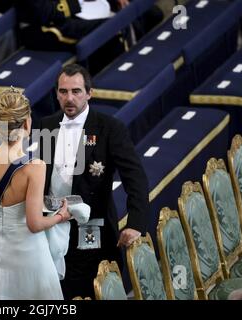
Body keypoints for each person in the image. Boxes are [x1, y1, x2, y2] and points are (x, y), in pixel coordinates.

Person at [39, 64, 149, 299]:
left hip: (93, 229)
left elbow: (135, 178)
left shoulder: (110, 128)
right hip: (51, 227)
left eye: (76, 91)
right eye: (63, 91)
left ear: (89, 93)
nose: (69, 98)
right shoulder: (46, 126)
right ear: (57, 93)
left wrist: (136, 223)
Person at [0, 88, 71, 299]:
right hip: (29, 252)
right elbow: (34, 224)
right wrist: (60, 217)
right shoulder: (35, 166)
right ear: (27, 123)